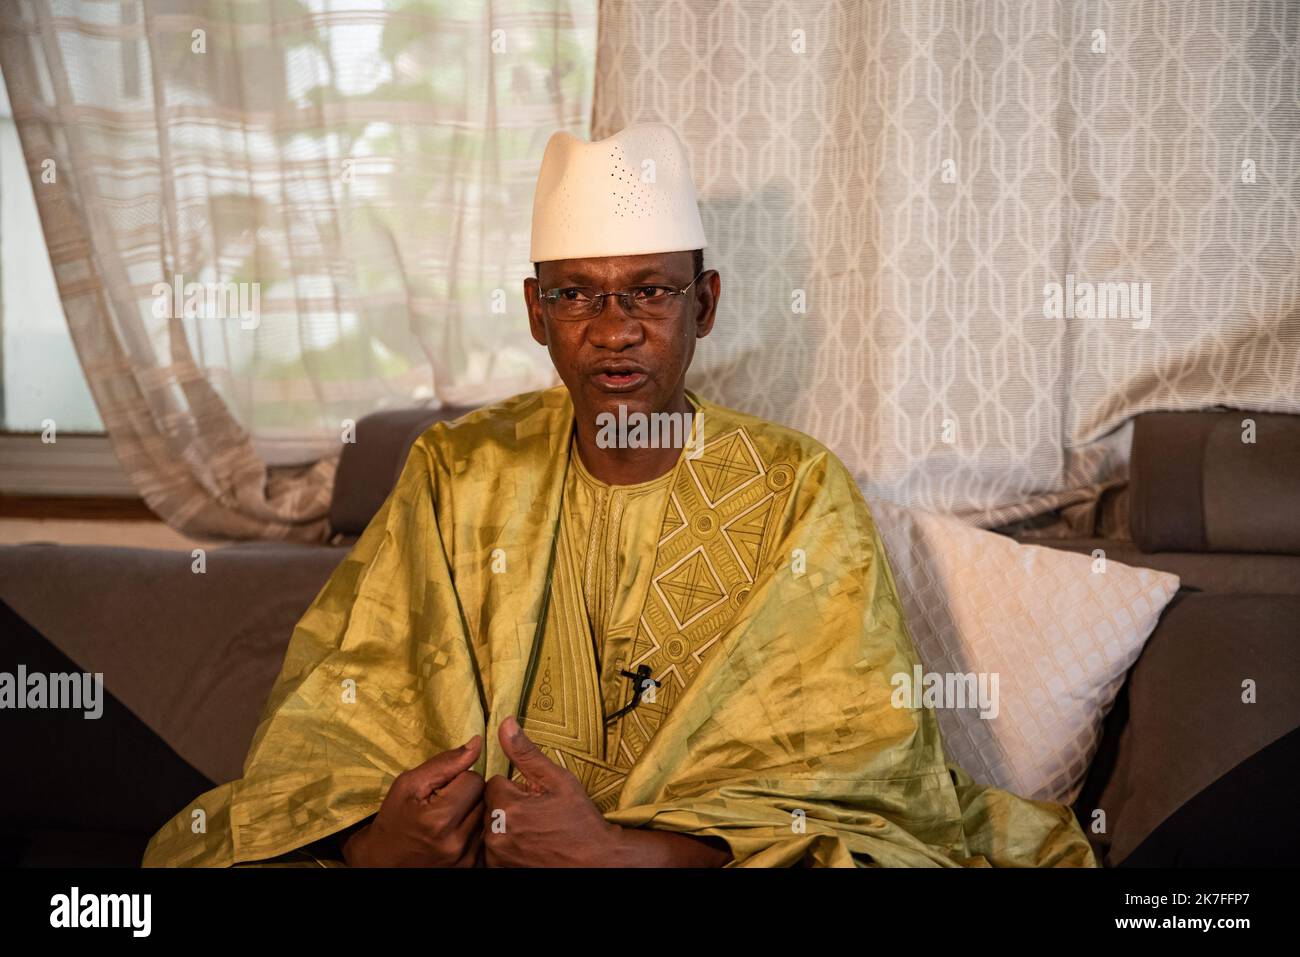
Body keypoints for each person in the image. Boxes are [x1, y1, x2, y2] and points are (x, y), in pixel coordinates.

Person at [142, 123, 1096, 868]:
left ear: (706, 304)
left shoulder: (799, 491)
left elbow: (864, 785)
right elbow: (337, 727)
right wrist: (372, 843)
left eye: (648, 292)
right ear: (534, 312)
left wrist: (621, 853)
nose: (612, 330)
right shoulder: (456, 470)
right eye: (577, 295)